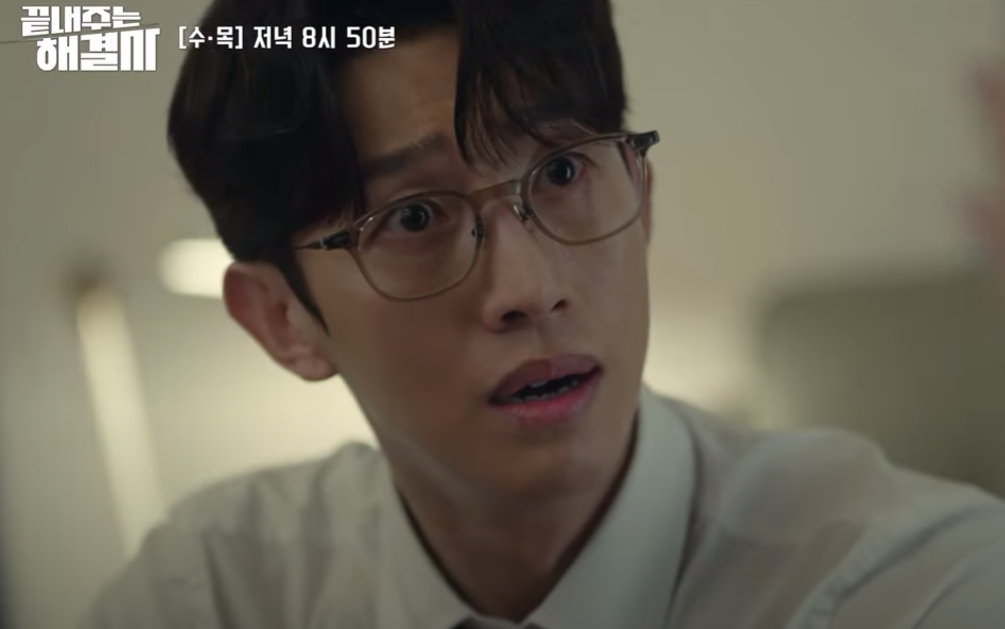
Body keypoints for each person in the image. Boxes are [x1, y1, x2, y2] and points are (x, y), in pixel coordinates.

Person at [81, 1, 1005, 627]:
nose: (527, 287)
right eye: (414, 219)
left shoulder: (913, 588)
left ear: (640, 194)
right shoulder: (217, 589)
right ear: (283, 320)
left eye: (561, 171)